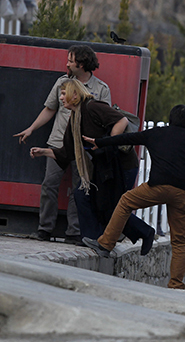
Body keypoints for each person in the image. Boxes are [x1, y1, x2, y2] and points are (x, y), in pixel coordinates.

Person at [80, 104, 185, 290]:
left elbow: (127, 138)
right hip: (184, 194)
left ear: (170, 120)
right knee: (180, 240)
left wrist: (100, 141)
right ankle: (176, 286)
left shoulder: (156, 133)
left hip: (158, 186)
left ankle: (106, 244)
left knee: (125, 202)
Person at [28, 78, 152, 247]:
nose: (61, 98)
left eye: (64, 93)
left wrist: (106, 143)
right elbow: (67, 152)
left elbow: (121, 120)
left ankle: (144, 233)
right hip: (103, 167)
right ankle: (93, 238)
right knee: (83, 196)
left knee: (113, 207)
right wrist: (43, 152)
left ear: (74, 94)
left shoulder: (93, 106)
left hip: (121, 165)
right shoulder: (74, 119)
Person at [15, 45, 110, 244]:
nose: (66, 63)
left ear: (81, 64)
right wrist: (31, 128)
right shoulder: (62, 83)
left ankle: (74, 231)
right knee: (49, 184)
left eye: (70, 60)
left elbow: (105, 119)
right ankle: (44, 229)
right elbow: (50, 109)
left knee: (80, 188)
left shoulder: (101, 89)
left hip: (83, 147)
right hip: (57, 142)